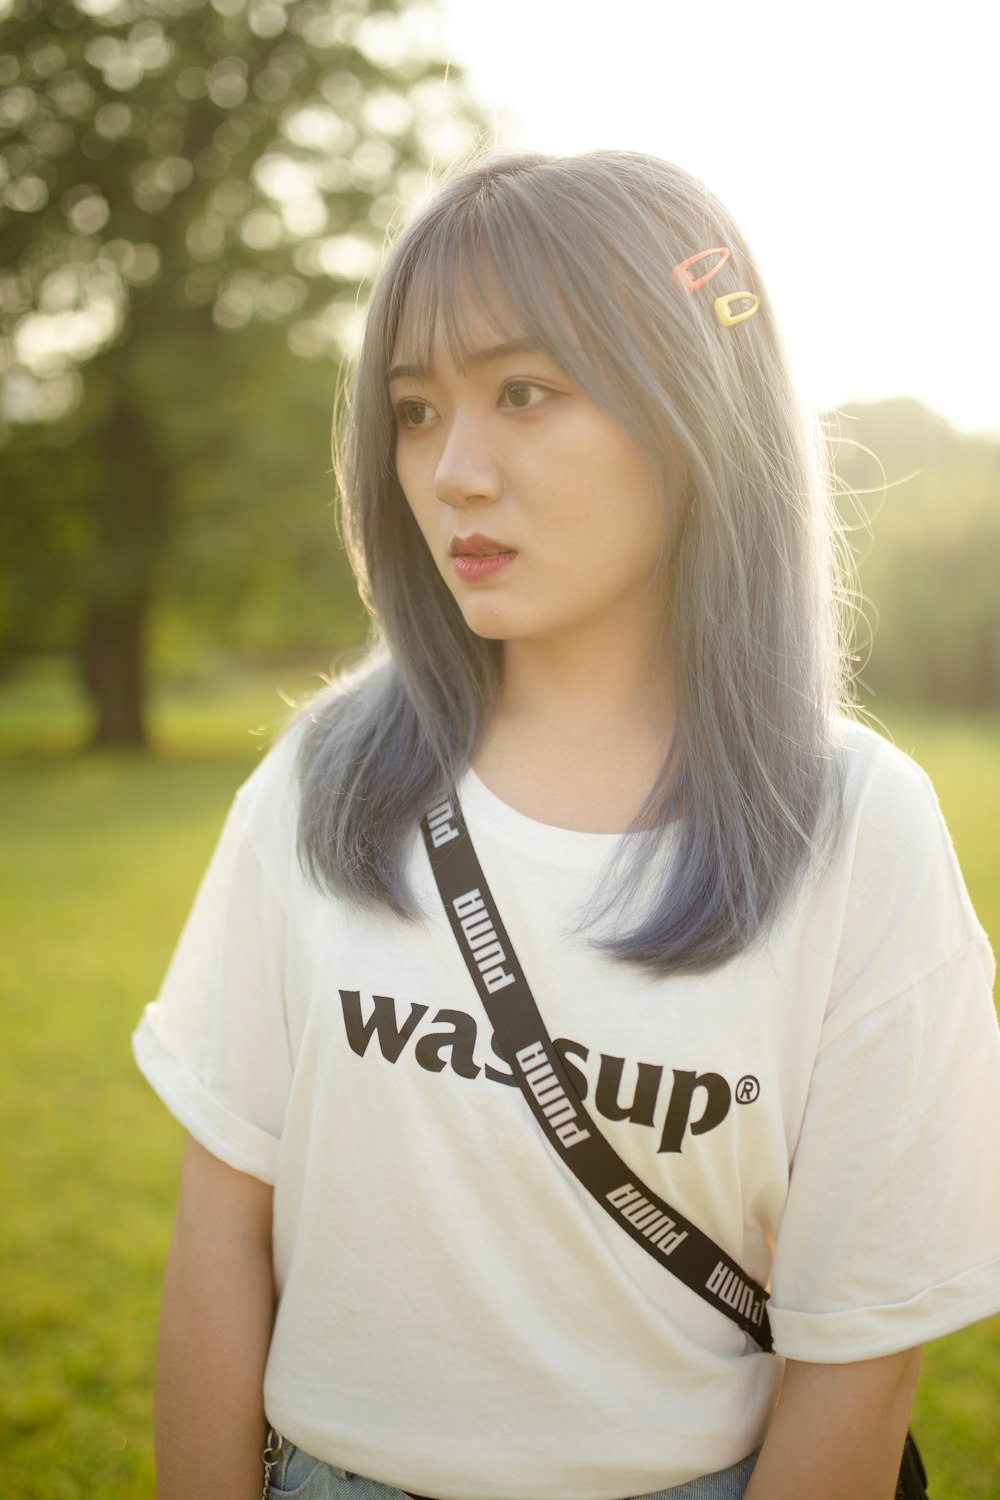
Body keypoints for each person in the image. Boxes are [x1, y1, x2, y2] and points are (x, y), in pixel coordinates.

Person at [133, 151, 1000, 1500]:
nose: (453, 473)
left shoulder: (856, 831)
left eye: (524, 393)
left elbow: (856, 1354)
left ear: (693, 407)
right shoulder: (325, 777)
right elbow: (219, 1226)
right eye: (415, 411)